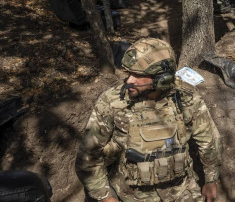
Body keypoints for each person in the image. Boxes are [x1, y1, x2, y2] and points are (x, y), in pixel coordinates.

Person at [75, 38, 222, 202]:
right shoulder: (112, 101)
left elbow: (208, 140)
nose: (129, 80)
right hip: (129, 195)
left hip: (181, 192)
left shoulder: (186, 97)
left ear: (162, 79)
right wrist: (105, 197)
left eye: (138, 75)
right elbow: (88, 156)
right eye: (129, 73)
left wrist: (211, 180)